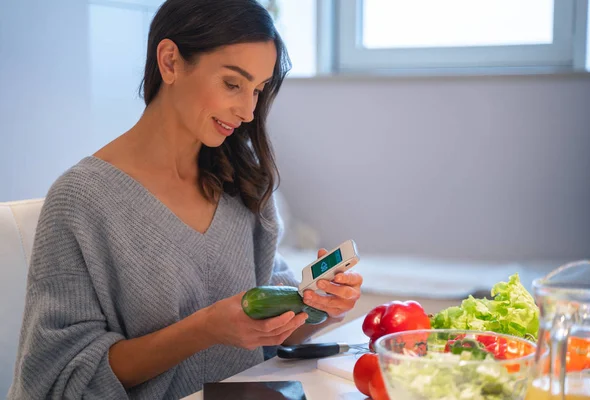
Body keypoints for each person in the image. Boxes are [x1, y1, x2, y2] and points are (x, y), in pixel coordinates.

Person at [8, 0, 363, 399]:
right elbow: (63, 378)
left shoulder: (243, 181)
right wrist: (205, 328)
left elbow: (268, 335)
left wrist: (323, 308)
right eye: (232, 84)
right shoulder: (81, 201)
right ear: (171, 61)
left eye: (258, 90)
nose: (248, 110)